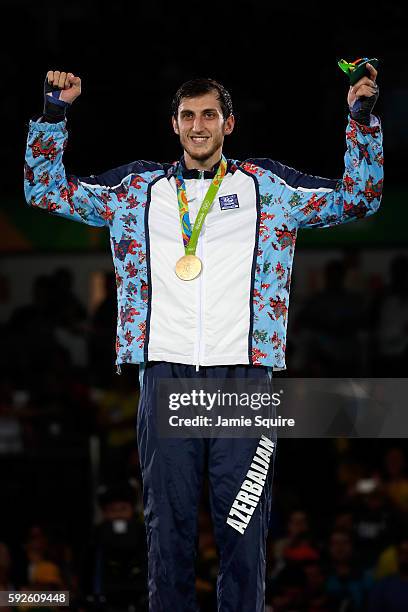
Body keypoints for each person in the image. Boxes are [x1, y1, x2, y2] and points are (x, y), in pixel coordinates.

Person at [24, 67, 383, 612]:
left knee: (243, 528)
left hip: (245, 380)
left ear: (228, 123)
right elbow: (45, 190)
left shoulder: (268, 189)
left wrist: (360, 119)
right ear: (174, 125)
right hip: (166, 376)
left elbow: (359, 198)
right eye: (188, 115)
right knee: (167, 530)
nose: (198, 125)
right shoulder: (136, 192)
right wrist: (54, 115)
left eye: (209, 114)